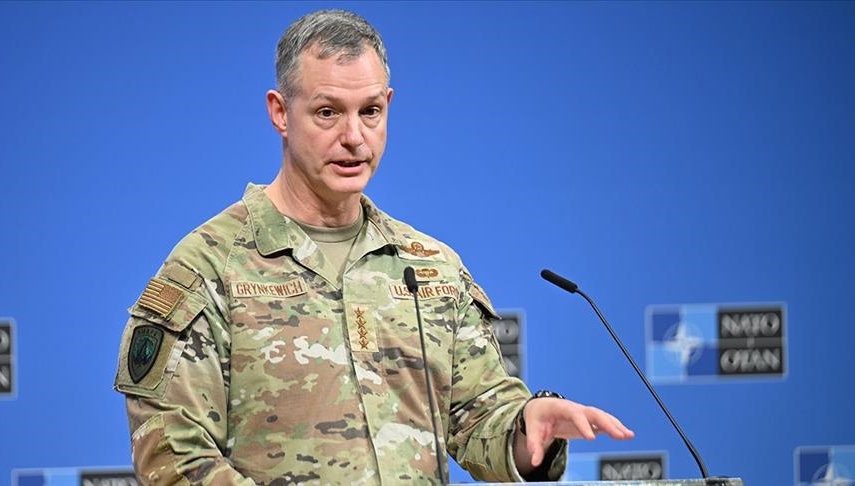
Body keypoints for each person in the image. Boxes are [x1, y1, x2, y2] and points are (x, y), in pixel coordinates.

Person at [114, 9, 634, 485]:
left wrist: (526, 428)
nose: (354, 137)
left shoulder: (431, 267)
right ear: (280, 112)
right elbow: (175, 456)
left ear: (389, 106)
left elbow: (480, 418)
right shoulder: (209, 266)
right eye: (327, 112)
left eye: (370, 111)